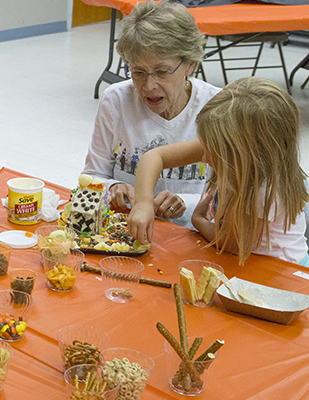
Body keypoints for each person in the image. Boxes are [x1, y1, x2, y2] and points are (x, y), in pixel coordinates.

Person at [128, 77, 309, 265]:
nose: (204, 157)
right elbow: (154, 157)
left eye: (213, 153)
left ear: (247, 155)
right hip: (245, 258)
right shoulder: (229, 149)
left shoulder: (262, 189)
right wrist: (143, 203)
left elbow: (230, 244)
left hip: (281, 272)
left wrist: (197, 219)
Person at [82, 0, 221, 228]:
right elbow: (91, 177)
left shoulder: (217, 108)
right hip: (124, 231)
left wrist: (186, 201)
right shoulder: (116, 100)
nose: (148, 86)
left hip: (192, 234)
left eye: (162, 72)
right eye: (138, 72)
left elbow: (233, 195)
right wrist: (113, 187)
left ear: (190, 65)